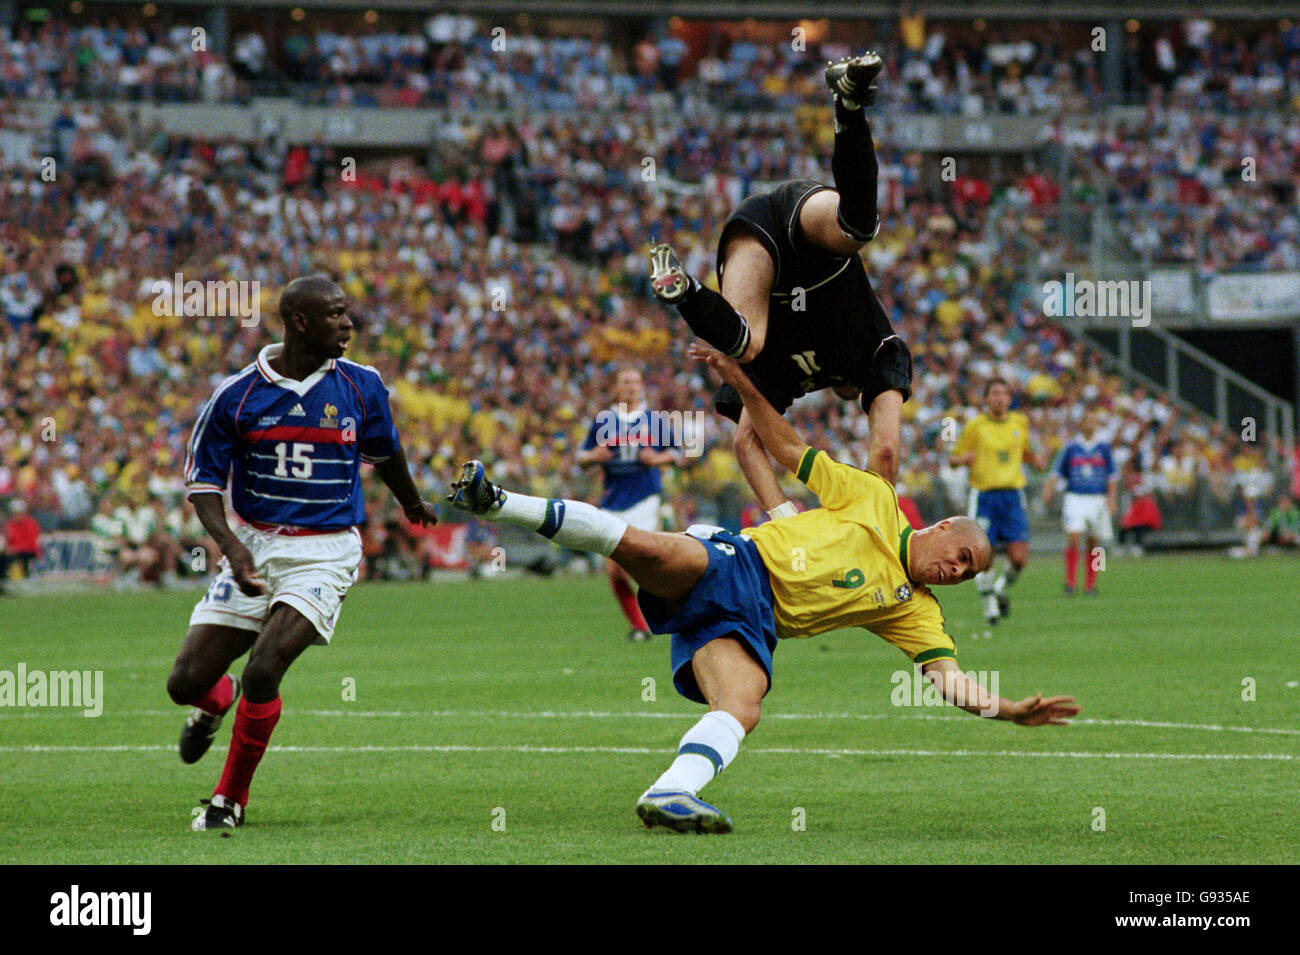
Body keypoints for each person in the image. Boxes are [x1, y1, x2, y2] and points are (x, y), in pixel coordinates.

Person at [447, 343, 1078, 834]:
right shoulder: (876, 498)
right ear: (940, 528)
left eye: (968, 573)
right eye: (960, 555)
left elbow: (949, 682)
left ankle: (669, 790)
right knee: (643, 547)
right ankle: (498, 501)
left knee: (744, 706)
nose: (958, 571)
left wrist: (1008, 709)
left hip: (752, 626)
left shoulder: (916, 611)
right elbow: (785, 445)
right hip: (736, 564)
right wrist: (744, 382)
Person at [168, 276, 439, 832]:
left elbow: (385, 452)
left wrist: (412, 502)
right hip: (257, 544)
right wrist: (232, 546)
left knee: (265, 668)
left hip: (325, 550)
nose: (349, 325)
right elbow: (202, 483)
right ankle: (215, 702)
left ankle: (228, 802)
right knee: (184, 683)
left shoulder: (362, 386)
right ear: (299, 323)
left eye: (348, 314)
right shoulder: (237, 394)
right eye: (337, 315)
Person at [648, 52, 912, 522]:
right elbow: (886, 454)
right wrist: (847, 522)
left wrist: (784, 515)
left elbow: (746, 442)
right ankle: (848, 106)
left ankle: (685, 290)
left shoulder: (797, 372)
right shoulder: (873, 352)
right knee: (854, 233)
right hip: (794, 227)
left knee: (752, 339)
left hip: (765, 230)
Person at [577, 367, 684, 641]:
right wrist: (594, 456)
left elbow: (678, 453)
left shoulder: (653, 419)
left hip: (645, 497)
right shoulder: (604, 420)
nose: (631, 387)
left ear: (641, 387)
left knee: (643, 559)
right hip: (613, 499)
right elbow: (581, 458)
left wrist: (657, 460)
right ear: (616, 387)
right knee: (614, 567)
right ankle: (640, 625)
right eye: (625, 382)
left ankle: (670, 610)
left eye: (635, 382)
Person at [949, 378, 1046, 625]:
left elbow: (1025, 452)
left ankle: (1000, 589)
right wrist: (962, 460)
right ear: (987, 398)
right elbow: (953, 458)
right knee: (985, 555)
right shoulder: (975, 426)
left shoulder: (1019, 422)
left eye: (1004, 394)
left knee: (1019, 558)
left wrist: (1034, 460)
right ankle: (990, 606)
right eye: (994, 393)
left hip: (1013, 496)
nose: (999, 398)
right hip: (984, 496)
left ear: (1010, 398)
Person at [1042, 410, 1117, 595]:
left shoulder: (1104, 448)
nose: (1090, 424)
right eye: (1087, 420)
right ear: (1080, 424)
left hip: (1098, 498)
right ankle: (1070, 582)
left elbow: (1112, 477)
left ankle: (1092, 584)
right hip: (1075, 497)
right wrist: (1048, 488)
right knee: (1074, 538)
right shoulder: (1071, 447)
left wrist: (1112, 499)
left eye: (1093, 421)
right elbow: (1056, 471)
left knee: (1095, 543)